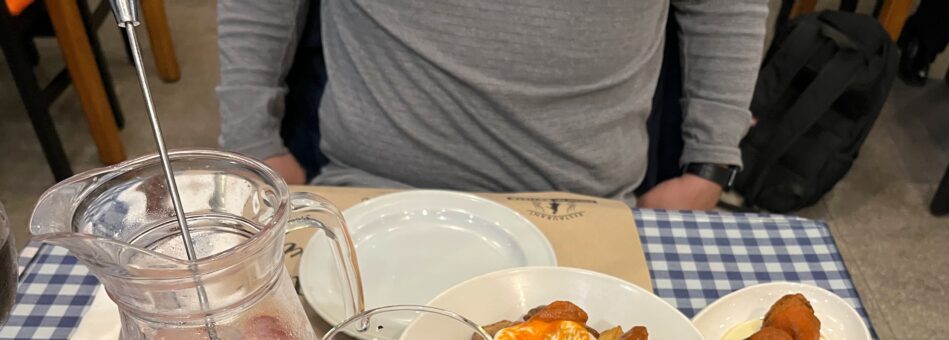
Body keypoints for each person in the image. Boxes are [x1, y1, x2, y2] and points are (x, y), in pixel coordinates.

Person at [217, 1, 767, 212]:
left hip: (585, 207)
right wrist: (252, 144)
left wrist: (710, 165)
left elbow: (724, 6)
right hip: (368, 192)